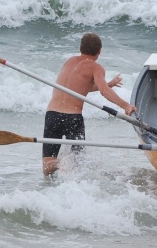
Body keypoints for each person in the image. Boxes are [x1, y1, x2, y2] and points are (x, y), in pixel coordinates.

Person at [42, 32, 137, 176]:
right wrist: (126, 106)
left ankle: (58, 163)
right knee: (77, 162)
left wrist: (108, 84)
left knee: (47, 167)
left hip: (52, 115)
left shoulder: (69, 62)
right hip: (72, 118)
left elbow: (78, 87)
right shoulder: (95, 67)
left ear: (80, 48)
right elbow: (104, 92)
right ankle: (72, 175)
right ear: (100, 51)